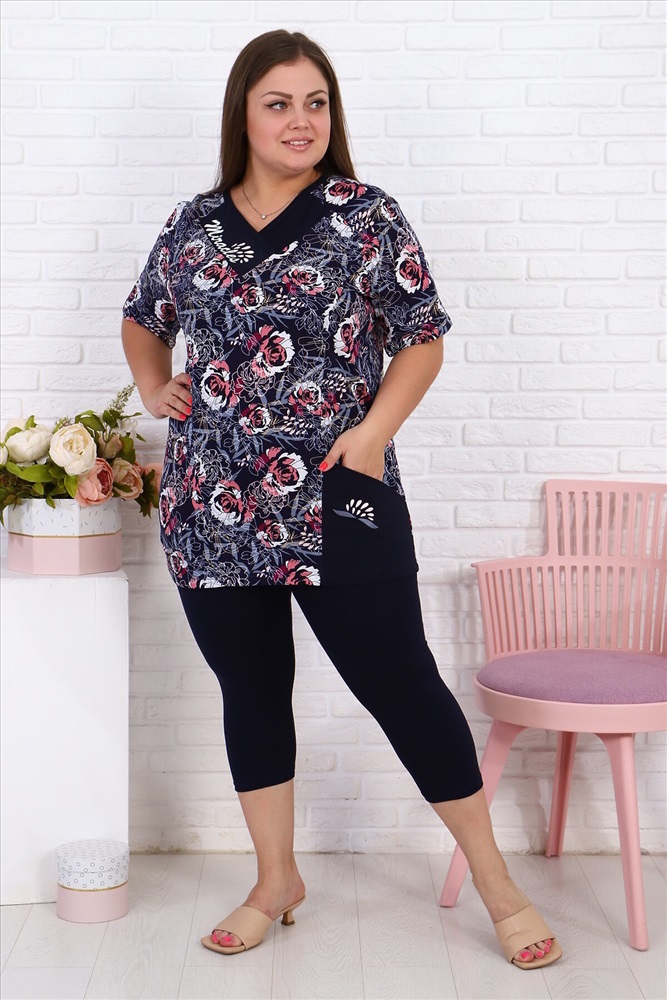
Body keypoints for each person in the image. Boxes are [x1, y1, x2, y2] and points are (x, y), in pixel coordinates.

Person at [121, 30, 561, 970]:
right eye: (279, 103)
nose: (301, 121)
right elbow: (143, 316)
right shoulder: (193, 224)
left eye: (315, 102)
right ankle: (275, 880)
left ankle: (496, 882)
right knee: (251, 691)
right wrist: (155, 384)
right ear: (243, 114)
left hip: (338, 495)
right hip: (210, 501)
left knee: (402, 685)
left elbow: (421, 336)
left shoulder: (365, 215)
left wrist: (371, 435)